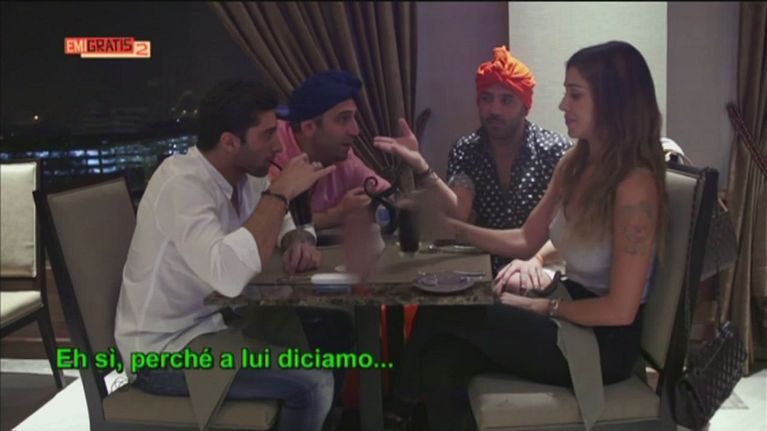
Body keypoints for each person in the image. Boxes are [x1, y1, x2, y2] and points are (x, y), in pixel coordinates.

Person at [379, 41, 667, 431]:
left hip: (603, 343)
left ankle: (395, 412)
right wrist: (453, 229)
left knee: (445, 310)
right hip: (571, 315)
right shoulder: (575, 162)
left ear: (614, 100)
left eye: (575, 94)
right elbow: (525, 240)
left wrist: (542, 307)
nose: (563, 105)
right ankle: (404, 412)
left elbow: (620, 311)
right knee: (443, 359)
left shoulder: (635, 186)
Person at [114, 78, 344, 431]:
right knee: (313, 384)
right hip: (166, 351)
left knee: (336, 328)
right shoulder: (182, 185)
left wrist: (297, 242)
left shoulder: (250, 177)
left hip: (222, 324)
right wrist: (281, 192)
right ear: (229, 142)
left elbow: (283, 223)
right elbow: (229, 277)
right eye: (268, 135)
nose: (278, 146)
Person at [269, 70, 391, 230]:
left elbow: (389, 197)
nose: (355, 130)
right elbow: (268, 227)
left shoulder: (341, 155)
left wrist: (417, 166)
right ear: (309, 127)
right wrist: (338, 214)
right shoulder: (269, 151)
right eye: (343, 119)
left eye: (353, 117)